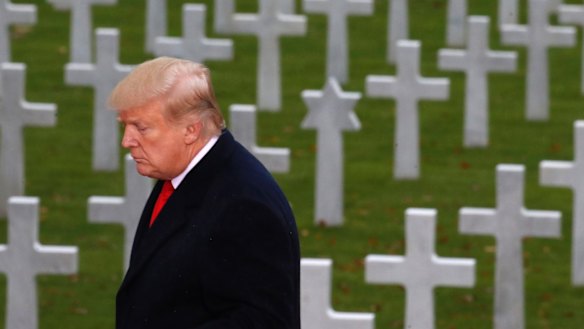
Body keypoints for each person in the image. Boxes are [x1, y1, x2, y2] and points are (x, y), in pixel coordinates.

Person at [110, 56, 301, 329]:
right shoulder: (181, 174)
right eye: (125, 126)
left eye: (141, 128)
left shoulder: (244, 205)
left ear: (190, 130)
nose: (127, 141)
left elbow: (263, 321)